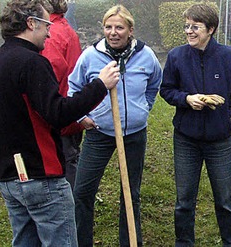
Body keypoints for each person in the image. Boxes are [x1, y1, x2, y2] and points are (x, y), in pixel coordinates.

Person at [0, 0, 120, 245]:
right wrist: (99, 85)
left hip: (9, 175)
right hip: (41, 175)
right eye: (46, 24)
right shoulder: (33, 62)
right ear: (31, 23)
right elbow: (57, 113)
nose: (49, 31)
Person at [159, 3, 231, 246]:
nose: (189, 31)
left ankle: (230, 242)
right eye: (187, 26)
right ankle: (184, 243)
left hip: (220, 141)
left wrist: (230, 116)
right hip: (186, 139)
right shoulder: (176, 56)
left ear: (210, 29)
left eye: (195, 27)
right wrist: (186, 99)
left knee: (224, 200)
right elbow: (166, 90)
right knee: (184, 201)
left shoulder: (230, 57)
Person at [68, 4, 162, 246]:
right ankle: (82, 241)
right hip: (99, 134)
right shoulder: (91, 56)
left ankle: (130, 241)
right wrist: (81, 117)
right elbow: (74, 88)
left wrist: (142, 109)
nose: (113, 32)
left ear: (130, 30)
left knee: (131, 194)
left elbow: (154, 84)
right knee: (82, 192)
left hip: (133, 135)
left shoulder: (146, 55)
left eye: (119, 27)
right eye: (108, 27)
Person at [41, 0, 83, 189]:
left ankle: (72, 212)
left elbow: (49, 75)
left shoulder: (50, 33)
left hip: (58, 112)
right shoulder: (65, 28)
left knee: (64, 163)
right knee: (71, 158)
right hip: (71, 109)